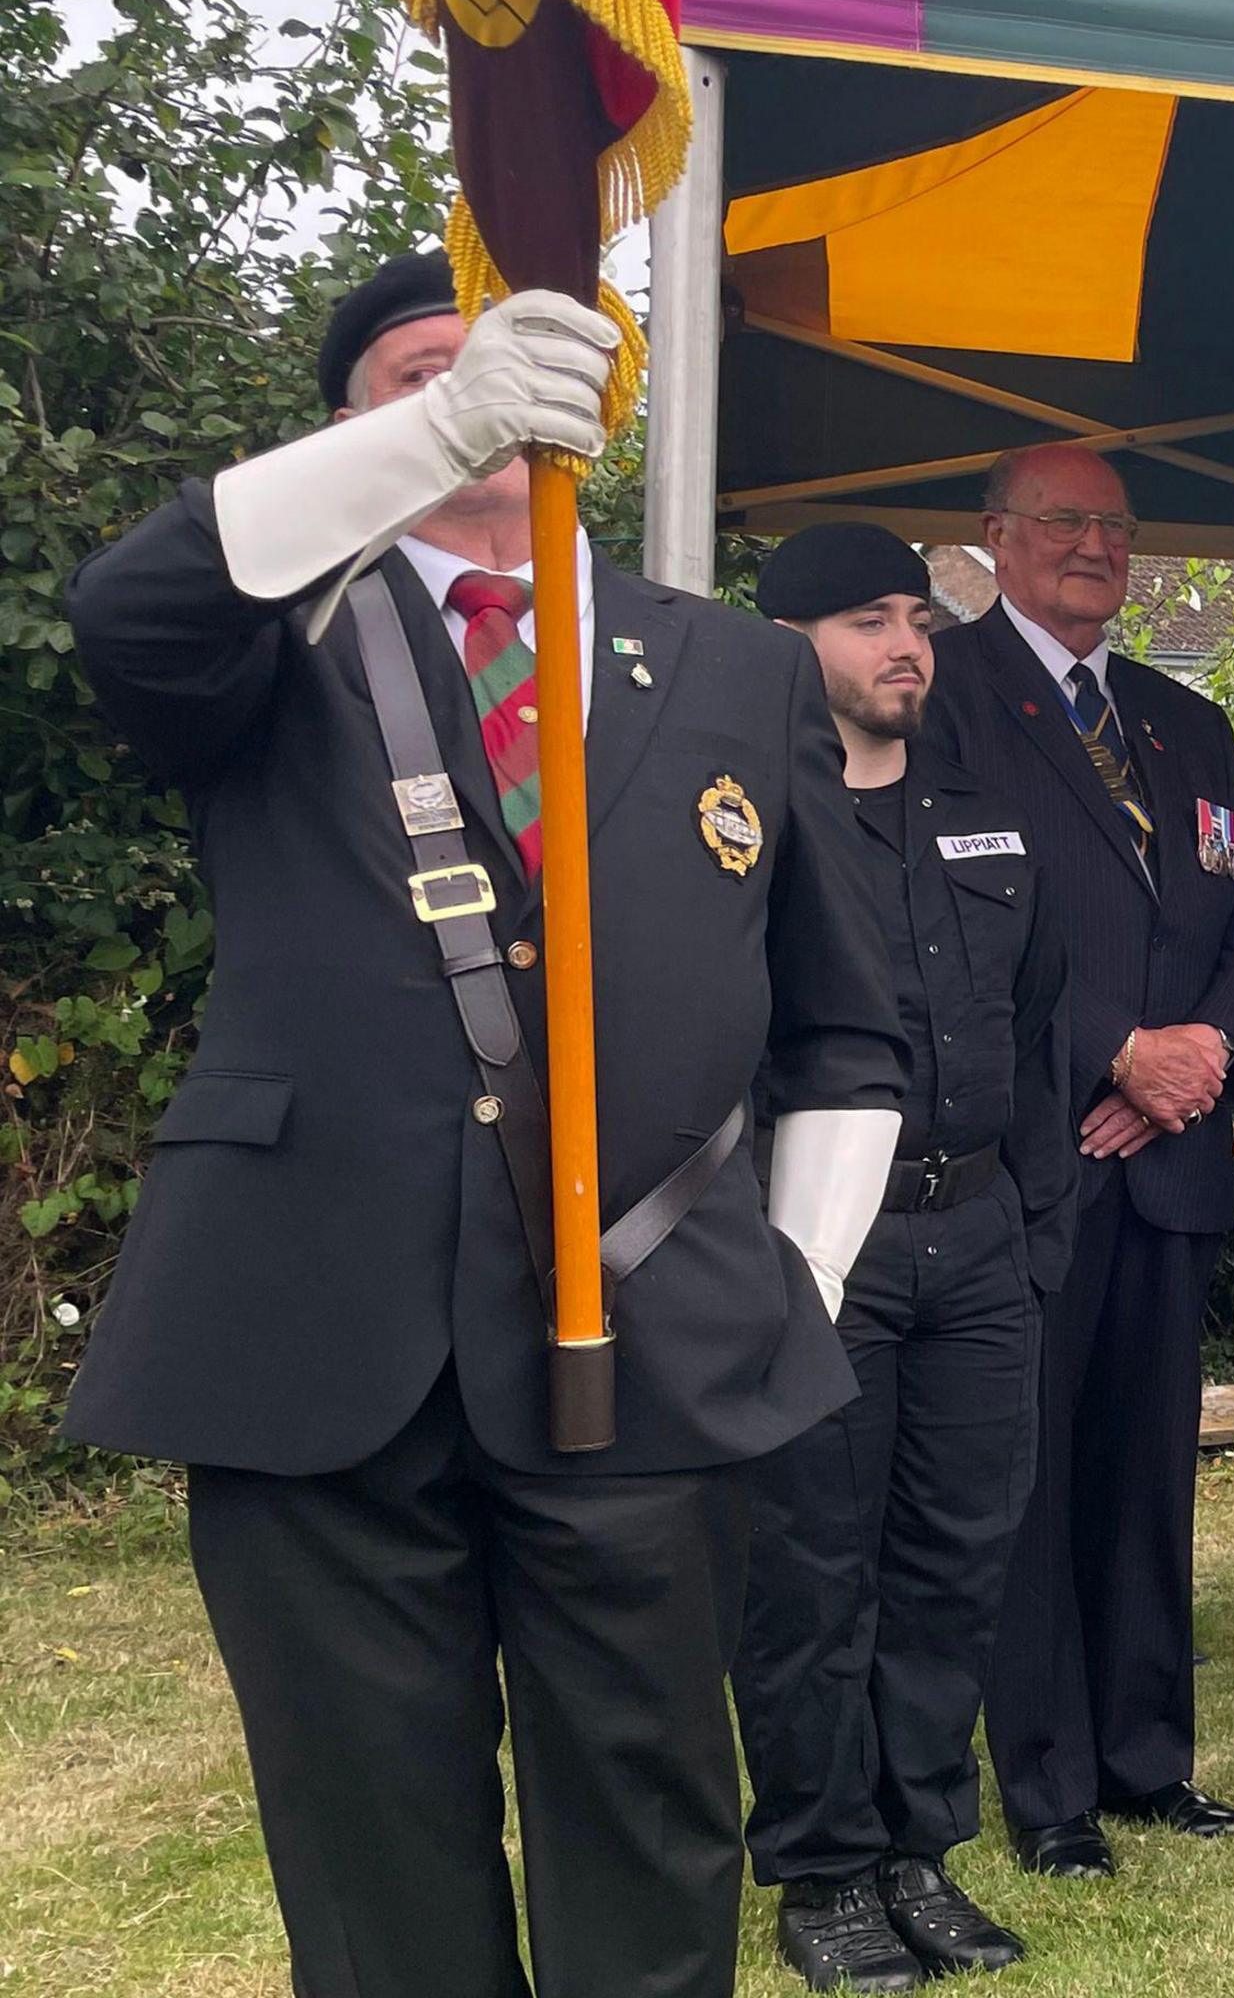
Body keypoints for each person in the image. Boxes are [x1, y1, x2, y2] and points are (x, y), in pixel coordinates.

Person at [60, 255, 907, 1998]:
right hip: (313, 1333)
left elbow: (843, 1034)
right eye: (411, 373)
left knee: (656, 1817)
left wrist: (798, 1283)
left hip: (649, 1338)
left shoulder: (741, 667)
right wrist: (444, 423)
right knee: (371, 1849)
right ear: (346, 424)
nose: (467, 390)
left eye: (498, 365)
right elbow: (125, 609)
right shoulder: (267, 634)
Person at [922, 443, 1234, 1880]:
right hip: (1033, 1151)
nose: (1095, 546)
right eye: (1065, 522)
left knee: (1148, 1476)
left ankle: (1148, 1759)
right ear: (996, 538)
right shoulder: (942, 694)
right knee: (1033, 1478)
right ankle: (1050, 1786)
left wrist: (1198, 1058)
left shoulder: (1184, 721)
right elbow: (938, 911)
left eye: (1115, 527)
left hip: (1171, 1162)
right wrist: (1111, 1051)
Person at [733, 524, 1082, 1989]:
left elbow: (1046, 1025)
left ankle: (916, 1852)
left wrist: (1036, 1222)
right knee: (816, 1568)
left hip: (979, 1234)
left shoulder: (980, 806)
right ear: (789, 642)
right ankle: (822, 1871)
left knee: (953, 1560)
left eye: (919, 620)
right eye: (870, 619)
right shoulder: (743, 821)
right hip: (825, 1243)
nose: (908, 645)